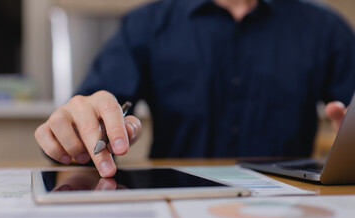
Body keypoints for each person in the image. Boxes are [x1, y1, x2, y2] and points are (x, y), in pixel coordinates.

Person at [35, 0, 355, 178]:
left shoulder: (325, 27)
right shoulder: (146, 25)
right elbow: (91, 113)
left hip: (291, 212)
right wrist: (79, 127)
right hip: (175, 203)